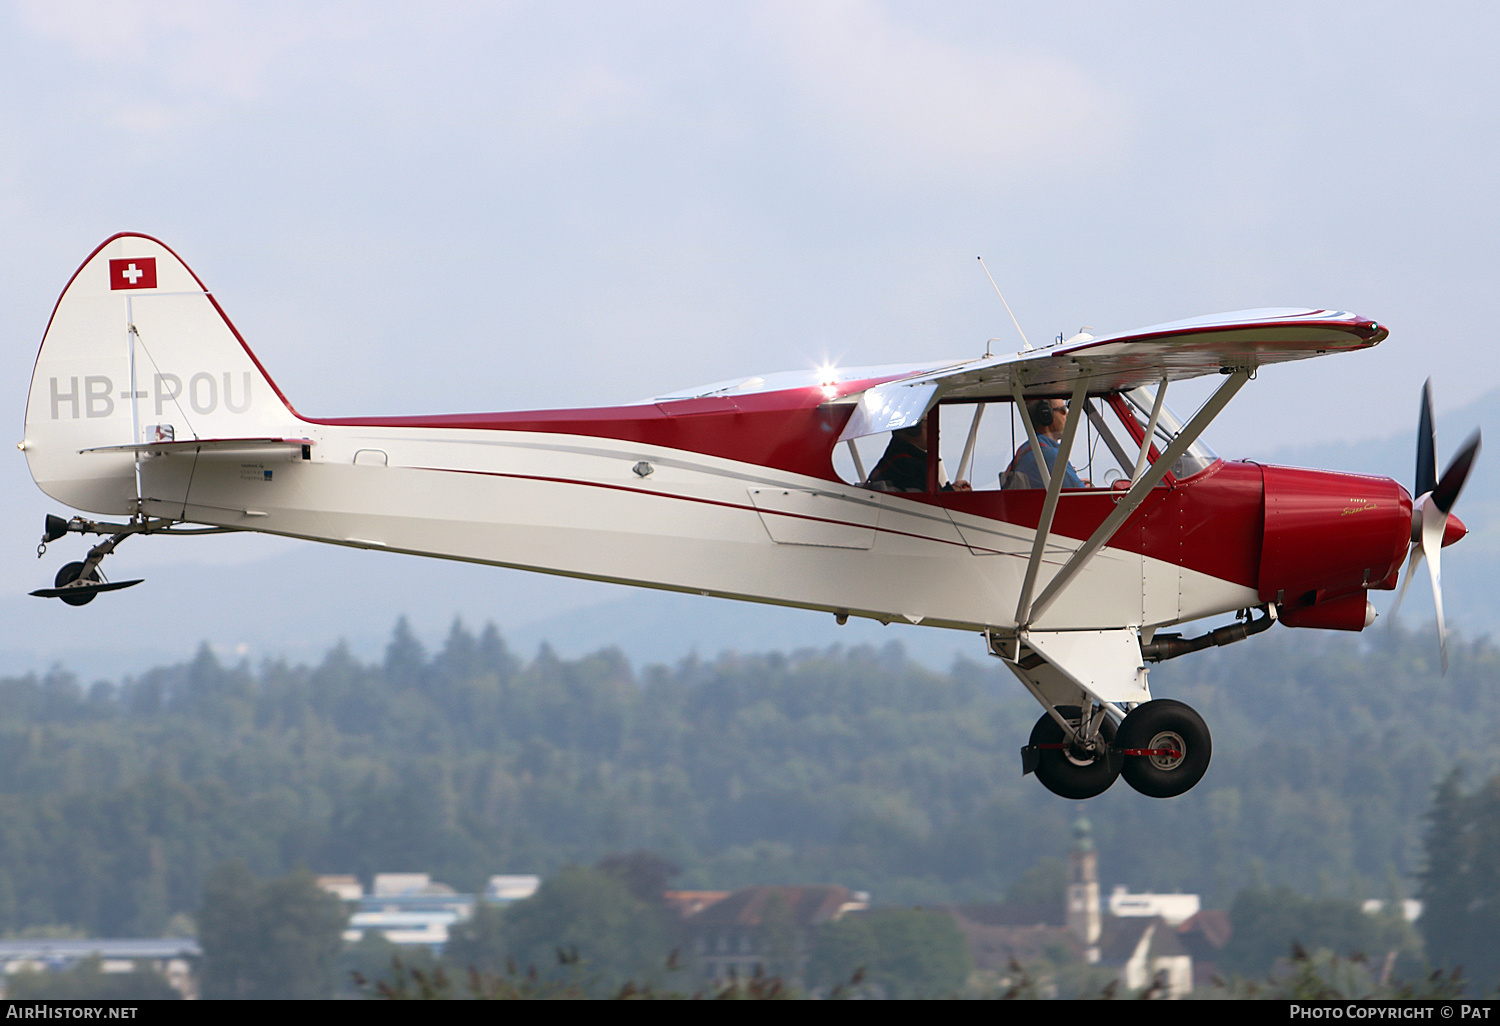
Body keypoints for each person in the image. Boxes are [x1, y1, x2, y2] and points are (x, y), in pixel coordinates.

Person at [866, 414, 971, 492]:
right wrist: (955, 491)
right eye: (931, 423)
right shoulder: (908, 465)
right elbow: (933, 505)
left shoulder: (894, 460)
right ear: (913, 428)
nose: (938, 430)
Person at [1002, 399, 1090, 489]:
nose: (1067, 415)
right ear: (1046, 415)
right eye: (1062, 410)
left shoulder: (1027, 450)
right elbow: (1080, 494)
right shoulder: (1048, 456)